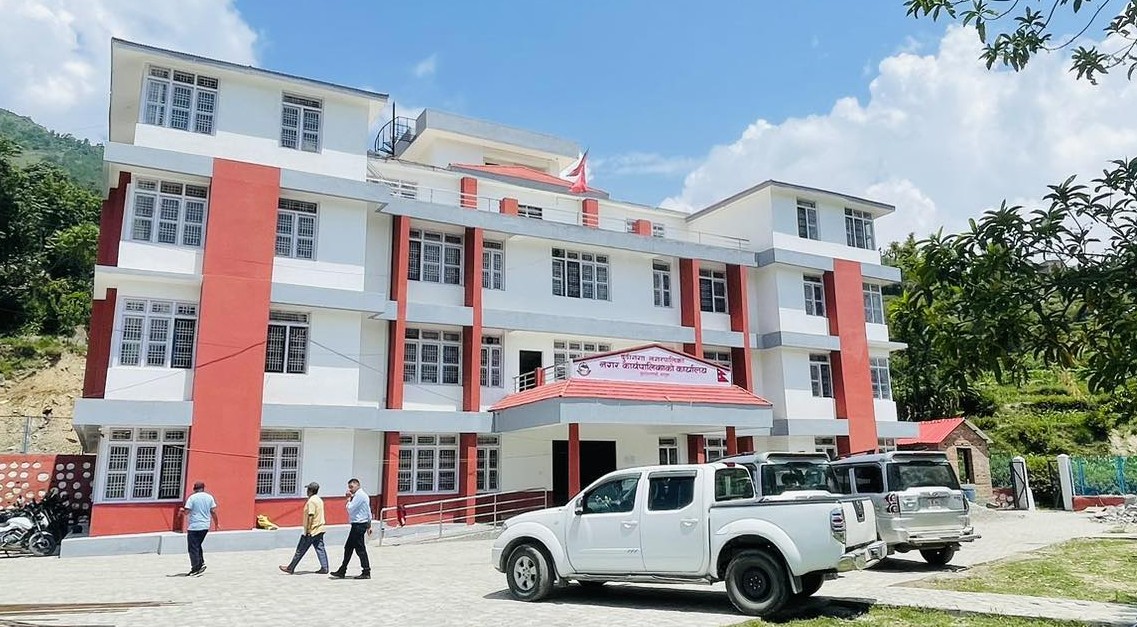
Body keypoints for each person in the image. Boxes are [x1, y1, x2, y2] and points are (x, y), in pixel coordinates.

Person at [279, 482, 329, 574]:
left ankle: (290, 568)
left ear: (310, 491)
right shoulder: (319, 500)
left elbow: (311, 515)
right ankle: (325, 567)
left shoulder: (311, 501)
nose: (307, 491)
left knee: (300, 549)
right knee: (320, 548)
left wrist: (308, 530)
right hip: (320, 528)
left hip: (312, 530)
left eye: (308, 489)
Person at [330, 478, 371, 580]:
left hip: (359, 525)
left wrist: (348, 499)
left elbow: (350, 508)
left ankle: (366, 571)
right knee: (348, 548)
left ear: (357, 485)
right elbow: (368, 512)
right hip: (358, 525)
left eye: (352, 487)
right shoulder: (361, 495)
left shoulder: (359, 496)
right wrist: (369, 525)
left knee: (360, 549)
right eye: (349, 487)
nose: (350, 489)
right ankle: (342, 570)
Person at [182, 481, 218, 576]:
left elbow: (187, 512)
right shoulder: (209, 497)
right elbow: (213, 511)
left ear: (194, 489)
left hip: (194, 526)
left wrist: (182, 511)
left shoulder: (192, 498)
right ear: (203, 488)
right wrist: (216, 523)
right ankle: (201, 563)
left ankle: (195, 567)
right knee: (197, 545)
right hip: (205, 526)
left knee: (192, 547)